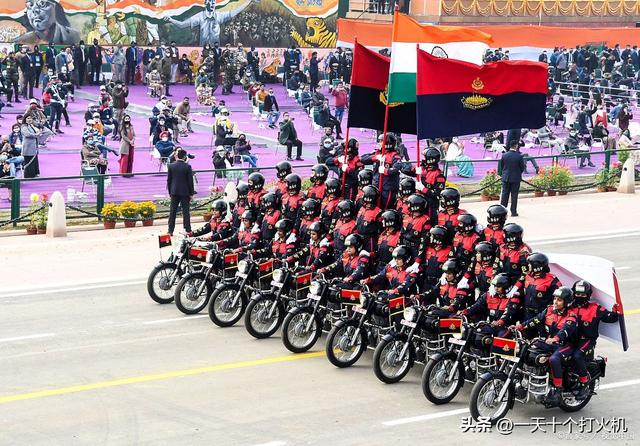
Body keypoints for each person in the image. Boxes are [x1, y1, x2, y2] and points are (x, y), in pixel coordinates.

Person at [514, 287, 577, 405]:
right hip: (549, 342)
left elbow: (565, 330)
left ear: (566, 302)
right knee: (525, 347)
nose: (555, 302)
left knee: (554, 359)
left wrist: (556, 338)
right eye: (554, 299)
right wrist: (519, 327)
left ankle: (558, 390)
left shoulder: (571, 316)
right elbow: (535, 320)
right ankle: (521, 376)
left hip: (565, 345)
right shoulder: (549, 310)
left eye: (559, 300)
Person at [571, 280, 620, 399]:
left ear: (588, 295)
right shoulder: (567, 307)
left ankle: (583, 385)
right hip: (570, 339)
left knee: (577, 356)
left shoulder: (595, 308)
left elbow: (610, 318)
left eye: (582, 295)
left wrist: (615, 310)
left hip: (587, 340)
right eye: (577, 294)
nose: (579, 296)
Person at [166, 149, 194, 236]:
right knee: (186, 212)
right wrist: (191, 193)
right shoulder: (187, 167)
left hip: (174, 191)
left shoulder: (171, 166)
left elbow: (169, 181)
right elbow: (190, 181)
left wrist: (170, 192)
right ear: (185, 157)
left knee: (172, 212)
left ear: (176, 156)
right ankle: (188, 229)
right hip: (185, 192)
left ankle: (170, 231)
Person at [500, 141, 525, 217]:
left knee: (505, 194)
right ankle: (513, 212)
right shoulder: (519, 156)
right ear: (516, 146)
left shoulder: (504, 155)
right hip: (515, 178)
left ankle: (502, 211)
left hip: (506, 177)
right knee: (514, 195)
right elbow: (522, 168)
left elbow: (502, 166)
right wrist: (517, 173)